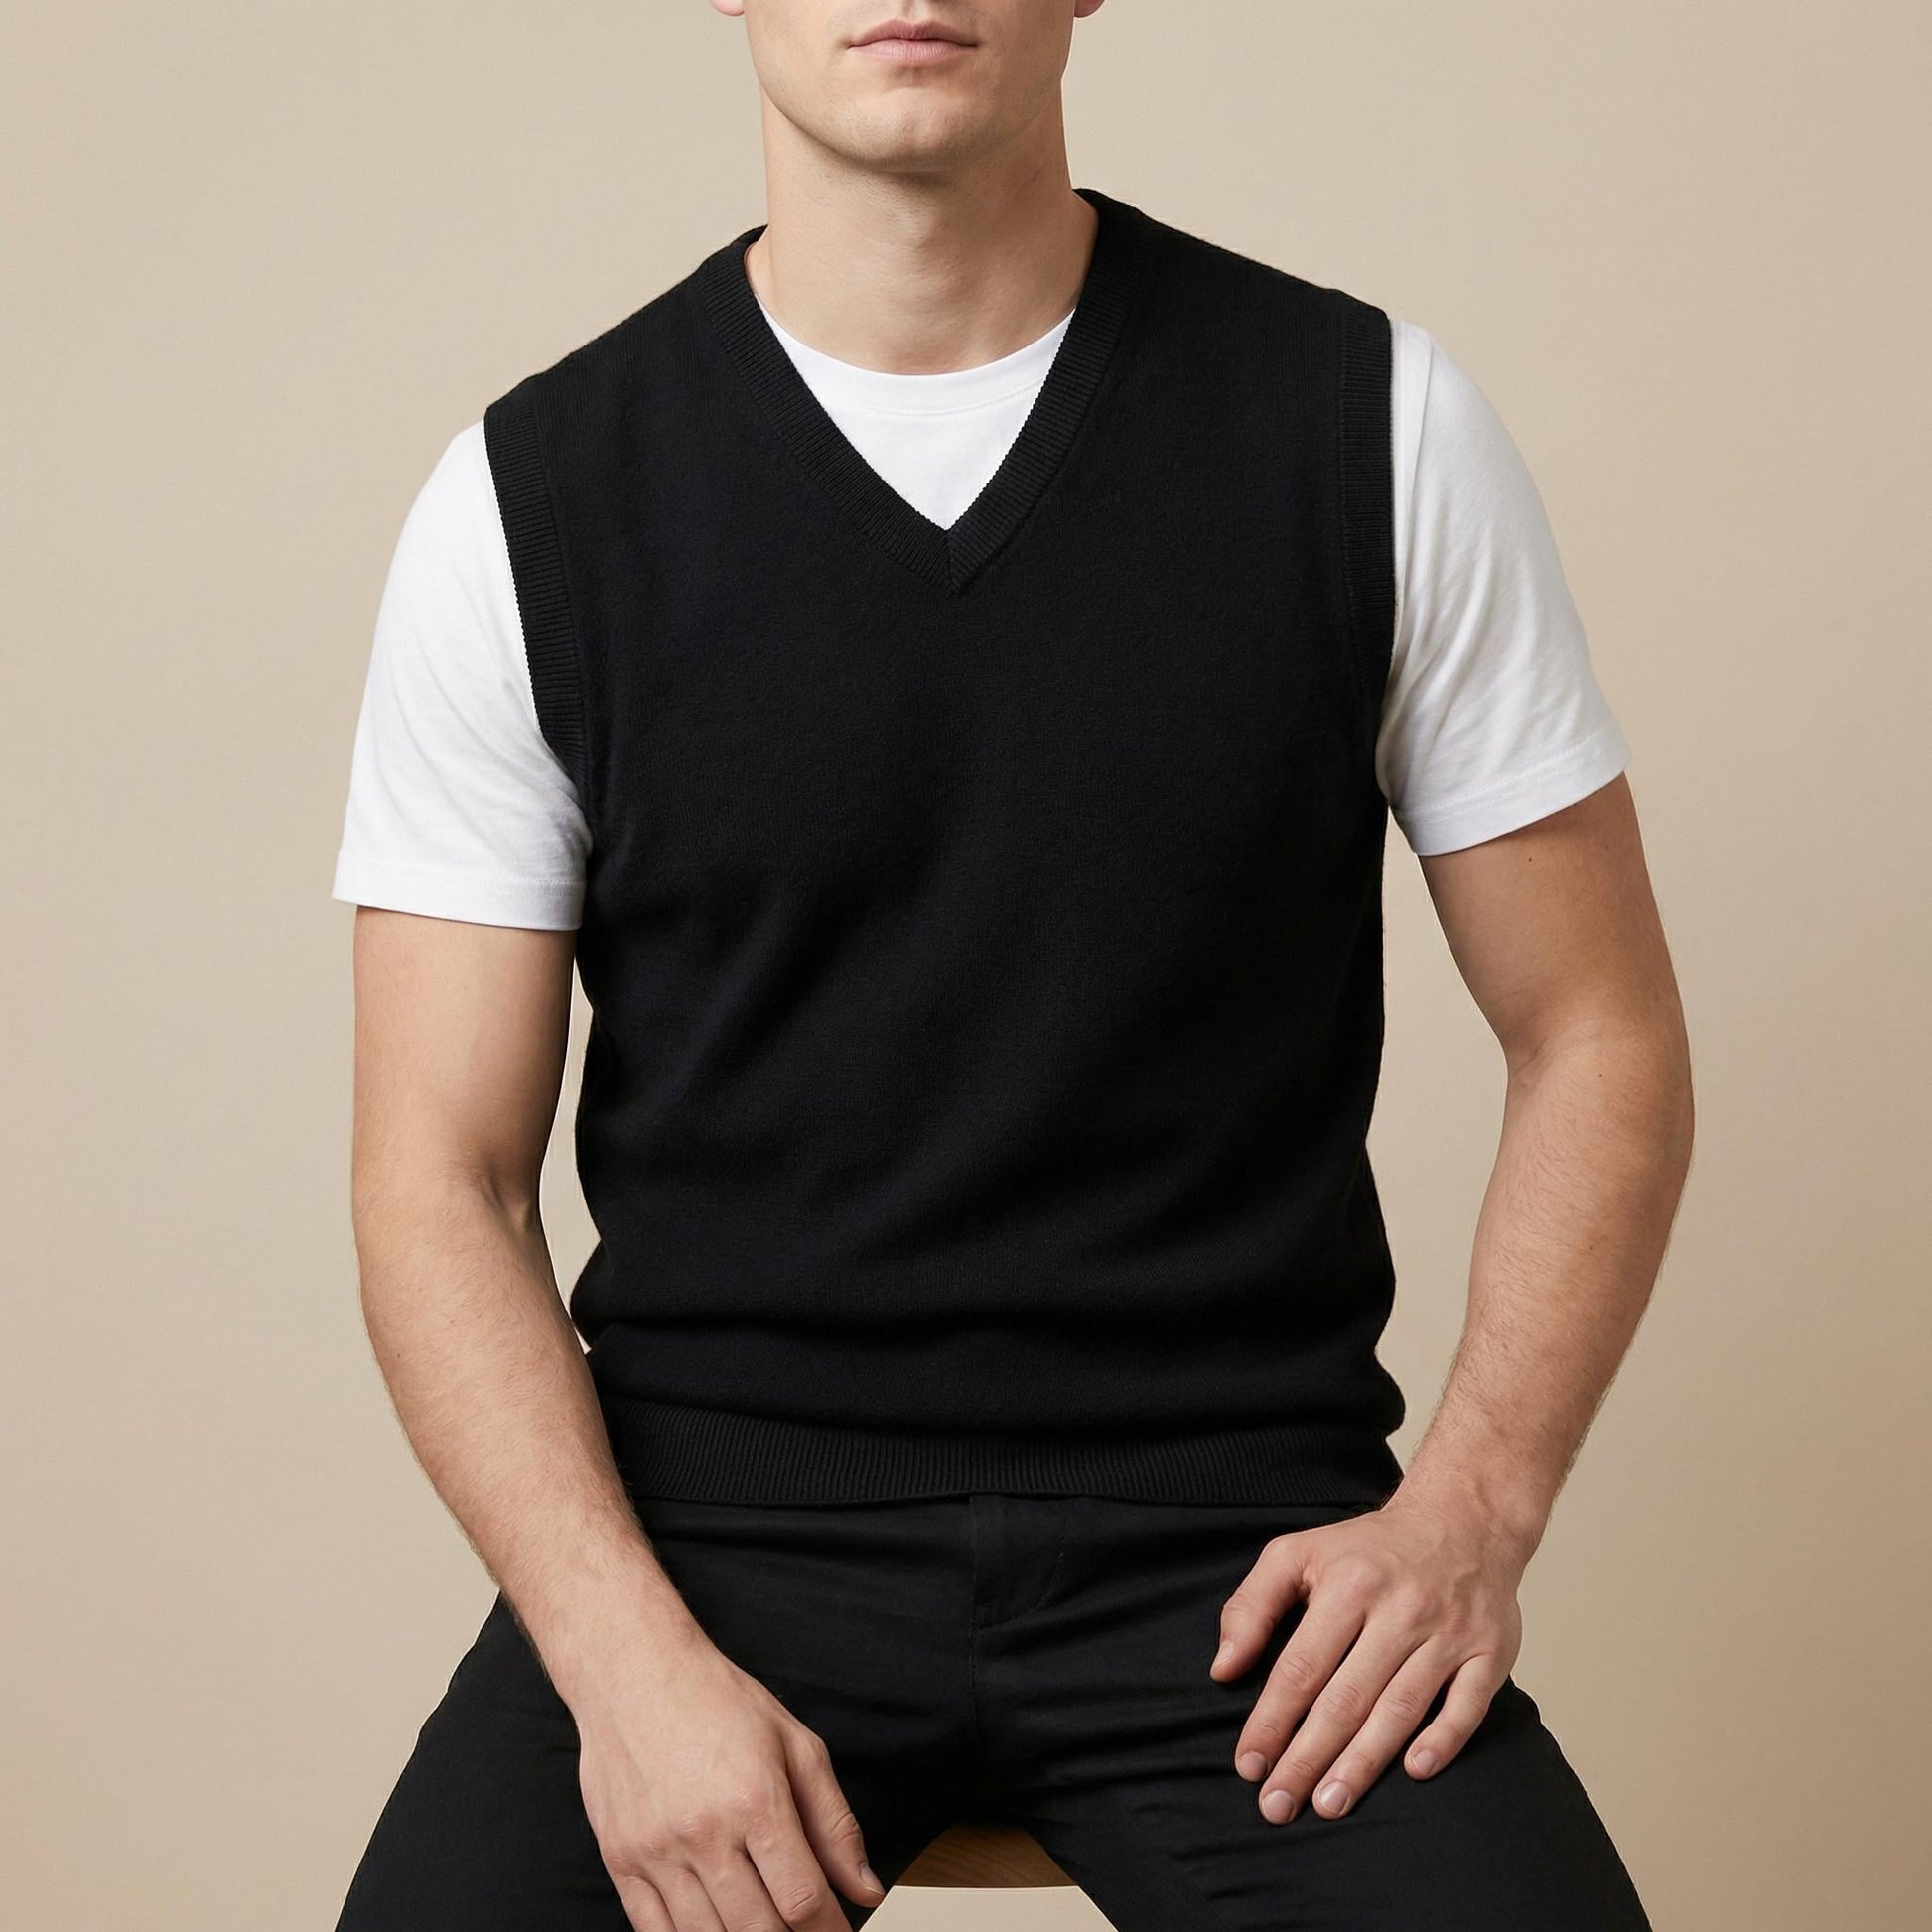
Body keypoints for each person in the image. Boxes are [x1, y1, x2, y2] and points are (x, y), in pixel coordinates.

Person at [327, 4, 1691, 1927]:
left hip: (1240, 1553)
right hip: (708, 1546)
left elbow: (1596, 1026)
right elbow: (438, 1180)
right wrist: (617, 1660)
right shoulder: (527, 500)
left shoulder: (1369, 424)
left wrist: (1471, 1511)